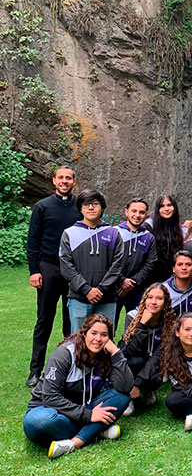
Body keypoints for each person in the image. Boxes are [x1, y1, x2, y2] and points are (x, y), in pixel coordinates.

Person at [23, 314, 133, 459]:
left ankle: (75, 443)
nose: (98, 339)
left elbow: (125, 387)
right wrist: (89, 415)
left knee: (122, 396)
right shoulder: (64, 354)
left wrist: (116, 353)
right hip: (50, 410)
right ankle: (96, 431)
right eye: (93, 333)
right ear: (84, 333)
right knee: (38, 421)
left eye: (104, 335)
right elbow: (50, 397)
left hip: (82, 408)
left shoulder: (105, 355)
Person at [26, 165, 79, 387]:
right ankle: (35, 370)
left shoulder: (80, 206)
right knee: (44, 320)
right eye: (61, 178)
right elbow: (32, 241)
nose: (64, 181)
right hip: (48, 267)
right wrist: (34, 271)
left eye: (68, 178)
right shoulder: (42, 206)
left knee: (71, 321)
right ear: (54, 181)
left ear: (74, 181)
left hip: (74, 269)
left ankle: (69, 367)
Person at [59, 189, 124, 332]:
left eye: (95, 203)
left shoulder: (113, 233)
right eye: (86, 204)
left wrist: (101, 289)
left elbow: (117, 265)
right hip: (79, 298)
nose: (90, 207)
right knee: (78, 340)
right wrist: (86, 289)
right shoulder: (69, 233)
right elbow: (66, 266)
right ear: (80, 208)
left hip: (107, 299)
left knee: (105, 342)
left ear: (102, 207)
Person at [119, 282, 178, 416]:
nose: (153, 302)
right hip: (134, 360)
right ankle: (128, 396)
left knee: (159, 372)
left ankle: (147, 389)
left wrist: (138, 384)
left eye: (159, 298)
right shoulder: (132, 316)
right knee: (134, 361)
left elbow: (159, 357)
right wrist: (141, 325)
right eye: (150, 297)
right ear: (144, 299)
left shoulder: (170, 322)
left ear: (165, 302)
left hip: (154, 364)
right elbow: (130, 350)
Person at [115, 197, 157, 329]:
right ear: (126, 212)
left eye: (141, 212)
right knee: (108, 327)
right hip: (114, 288)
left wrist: (132, 282)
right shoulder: (114, 232)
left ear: (146, 215)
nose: (137, 215)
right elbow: (107, 261)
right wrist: (121, 280)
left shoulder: (149, 237)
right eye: (134, 211)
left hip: (137, 290)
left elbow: (150, 264)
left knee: (136, 328)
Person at [147, 194, 184, 282]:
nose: (166, 209)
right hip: (151, 276)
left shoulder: (177, 226)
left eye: (169, 205)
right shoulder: (149, 225)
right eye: (162, 206)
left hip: (171, 276)